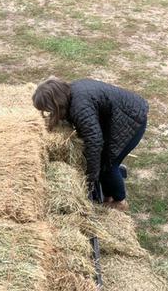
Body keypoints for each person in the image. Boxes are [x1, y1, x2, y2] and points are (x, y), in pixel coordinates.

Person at [32, 77, 148, 211]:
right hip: (120, 114)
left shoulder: (80, 107)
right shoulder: (72, 92)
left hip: (132, 119)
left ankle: (119, 201)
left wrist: (91, 176)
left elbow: (95, 142)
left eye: (49, 109)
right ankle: (108, 195)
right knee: (104, 163)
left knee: (109, 164)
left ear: (56, 103)